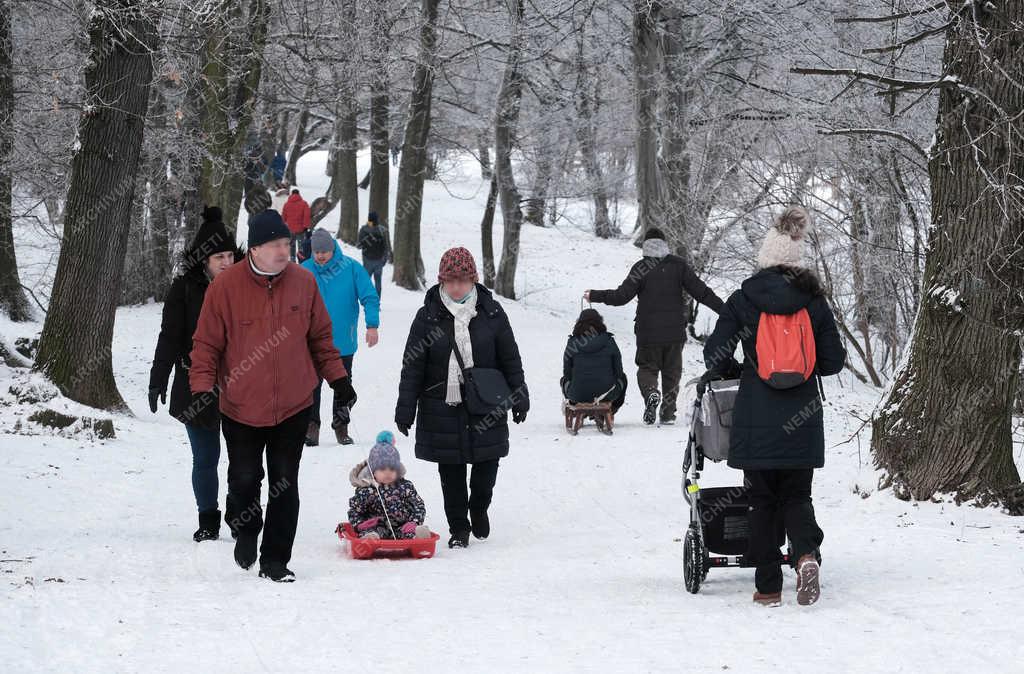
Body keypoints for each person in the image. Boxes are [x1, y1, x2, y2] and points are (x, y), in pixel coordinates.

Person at [189, 209, 356, 583]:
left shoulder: (303, 282)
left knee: (285, 482)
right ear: (256, 248)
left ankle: (275, 560)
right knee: (245, 479)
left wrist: (338, 380)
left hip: (294, 403)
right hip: (241, 406)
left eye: (287, 243)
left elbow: (321, 339)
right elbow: (206, 346)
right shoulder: (225, 287)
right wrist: (201, 393)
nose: (285, 251)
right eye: (276, 245)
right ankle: (247, 529)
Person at [702, 206, 846, 607]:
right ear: (797, 258)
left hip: (755, 416)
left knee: (761, 500)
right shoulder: (814, 302)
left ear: (765, 255)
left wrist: (741, 367)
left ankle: (767, 588)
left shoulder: (744, 298)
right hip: (802, 416)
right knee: (798, 495)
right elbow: (833, 362)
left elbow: (714, 355)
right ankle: (804, 555)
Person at [395, 247, 528, 549]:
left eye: (463, 280)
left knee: (487, 463)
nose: (456, 287)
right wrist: (405, 408)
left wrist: (520, 396)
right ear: (442, 281)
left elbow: (510, 358)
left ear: (473, 280)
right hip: (443, 403)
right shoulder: (428, 316)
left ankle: (479, 508)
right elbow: (412, 365)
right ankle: (459, 527)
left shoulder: (492, 313)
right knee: (451, 469)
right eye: (450, 281)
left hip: (485, 401)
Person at [148, 206, 242, 542]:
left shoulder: (249, 288)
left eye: (231, 255)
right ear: (204, 259)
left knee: (242, 459)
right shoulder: (184, 290)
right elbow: (169, 337)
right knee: (205, 457)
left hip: (241, 386)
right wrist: (158, 378)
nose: (227, 262)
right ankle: (208, 518)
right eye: (219, 257)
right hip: (195, 385)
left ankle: (237, 513)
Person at [585, 228, 724, 426]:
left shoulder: (641, 268)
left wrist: (595, 295)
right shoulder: (678, 266)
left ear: (645, 246)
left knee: (647, 368)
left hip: (647, 332)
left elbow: (621, 297)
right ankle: (667, 413)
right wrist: (725, 310)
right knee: (672, 372)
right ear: (664, 244)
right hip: (674, 332)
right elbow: (702, 292)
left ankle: (651, 393)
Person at [301, 228, 380, 446]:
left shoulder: (352, 268)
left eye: (325, 251)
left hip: (342, 342)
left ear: (333, 248)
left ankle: (341, 425)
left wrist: (372, 325)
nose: (320, 255)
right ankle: (311, 426)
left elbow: (370, 297)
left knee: (342, 384)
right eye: (316, 252)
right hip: (312, 342)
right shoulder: (304, 270)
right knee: (310, 385)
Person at [347, 431, 430, 540]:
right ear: (372, 471)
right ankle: (369, 540)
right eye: (382, 469)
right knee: (372, 532)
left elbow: (418, 505)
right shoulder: (367, 490)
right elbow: (355, 510)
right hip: (377, 527)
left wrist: (414, 522)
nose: (388, 473)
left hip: (402, 526)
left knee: (409, 532)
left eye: (392, 469)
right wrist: (360, 524)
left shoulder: (405, 486)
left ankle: (418, 537)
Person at [561, 308, 627, 430]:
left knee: (563, 380)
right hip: (607, 394)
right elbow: (618, 371)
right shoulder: (609, 341)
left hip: (577, 393)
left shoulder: (572, 342)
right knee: (623, 378)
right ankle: (611, 410)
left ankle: (575, 406)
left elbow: (567, 373)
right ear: (600, 322)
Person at [356, 211, 391, 298]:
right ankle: (376, 302)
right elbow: (387, 246)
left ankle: (367, 300)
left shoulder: (363, 229)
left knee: (366, 282)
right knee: (378, 283)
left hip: (367, 260)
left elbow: (358, 246)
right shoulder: (383, 230)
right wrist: (384, 259)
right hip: (379, 260)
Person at [281, 188, 311, 262]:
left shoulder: (286, 204)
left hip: (290, 229)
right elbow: (307, 216)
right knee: (301, 245)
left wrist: (283, 225)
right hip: (301, 229)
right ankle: (301, 259)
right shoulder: (304, 203)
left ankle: (292, 259)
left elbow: (283, 217)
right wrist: (306, 226)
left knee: (291, 245)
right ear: (299, 194)